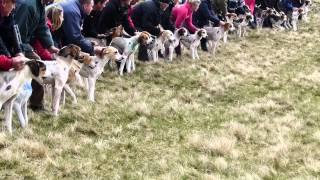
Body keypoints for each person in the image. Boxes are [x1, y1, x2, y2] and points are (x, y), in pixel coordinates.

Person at [0, 0, 24, 71]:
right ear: (3, 3)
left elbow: (14, 31)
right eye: (13, 3)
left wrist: (19, 52)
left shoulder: (8, 16)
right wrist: (10, 61)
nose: (14, 7)